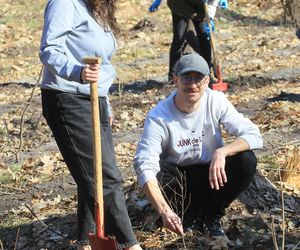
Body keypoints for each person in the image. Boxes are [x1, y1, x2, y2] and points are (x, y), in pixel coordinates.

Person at [39, 0, 142, 249]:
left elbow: (102, 64)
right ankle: (130, 244)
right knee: (106, 176)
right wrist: (78, 72)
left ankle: (86, 240)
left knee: (93, 171)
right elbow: (49, 49)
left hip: (95, 97)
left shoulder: (97, 7)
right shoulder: (65, 4)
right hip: (67, 97)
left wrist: (105, 102)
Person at [133, 53, 263, 237]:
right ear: (175, 80)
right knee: (157, 170)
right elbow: (144, 162)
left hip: (213, 175)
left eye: (199, 79)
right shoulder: (159, 115)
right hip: (179, 180)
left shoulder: (215, 100)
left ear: (208, 80)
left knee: (246, 159)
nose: (193, 85)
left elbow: (254, 135)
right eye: (186, 78)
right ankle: (187, 215)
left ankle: (212, 214)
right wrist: (163, 211)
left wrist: (222, 152)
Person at [148, 0, 228, 81]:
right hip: (179, 5)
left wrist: (210, 18)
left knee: (204, 38)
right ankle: (173, 79)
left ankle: (206, 75)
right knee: (179, 38)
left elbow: (212, 2)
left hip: (199, 9)